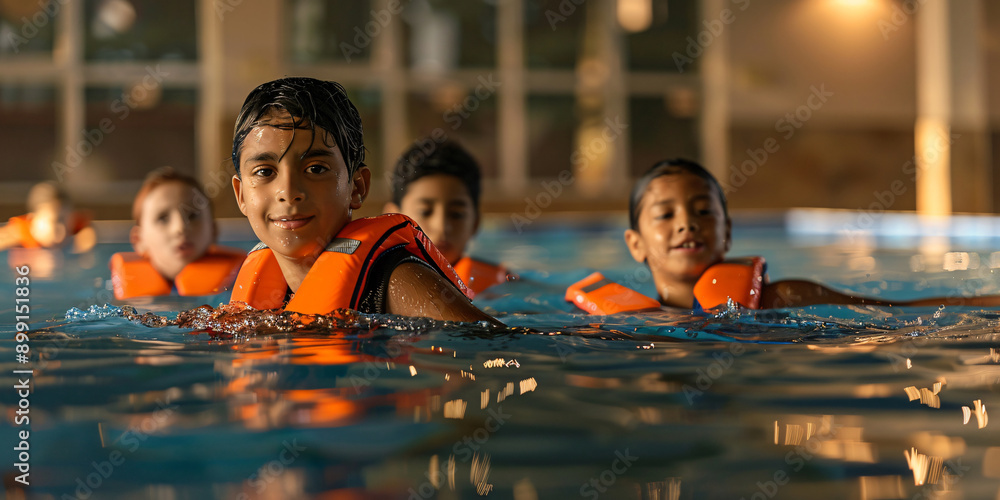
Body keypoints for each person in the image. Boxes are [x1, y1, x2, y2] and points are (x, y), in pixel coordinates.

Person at [228, 77, 500, 324]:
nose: (288, 191)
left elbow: (496, 352)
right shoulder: (263, 298)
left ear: (357, 187)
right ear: (241, 195)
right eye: (264, 172)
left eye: (316, 168)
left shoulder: (397, 282)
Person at [568, 159, 1000, 313]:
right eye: (665, 215)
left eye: (703, 211)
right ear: (635, 243)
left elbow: (898, 311)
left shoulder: (784, 296)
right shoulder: (622, 324)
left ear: (728, 232)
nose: (687, 223)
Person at [383, 138, 513, 296]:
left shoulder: (502, 287)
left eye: (456, 214)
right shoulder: (378, 288)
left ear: (475, 223)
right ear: (392, 221)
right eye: (425, 212)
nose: (442, 226)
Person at [110, 167, 245, 300]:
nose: (180, 228)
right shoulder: (123, 298)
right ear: (139, 240)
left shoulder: (242, 280)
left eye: (192, 215)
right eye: (163, 218)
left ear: (213, 230)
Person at [0, 181, 95, 252]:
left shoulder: (78, 227)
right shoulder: (15, 235)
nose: (63, 231)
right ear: (33, 220)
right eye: (54, 221)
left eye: (65, 220)